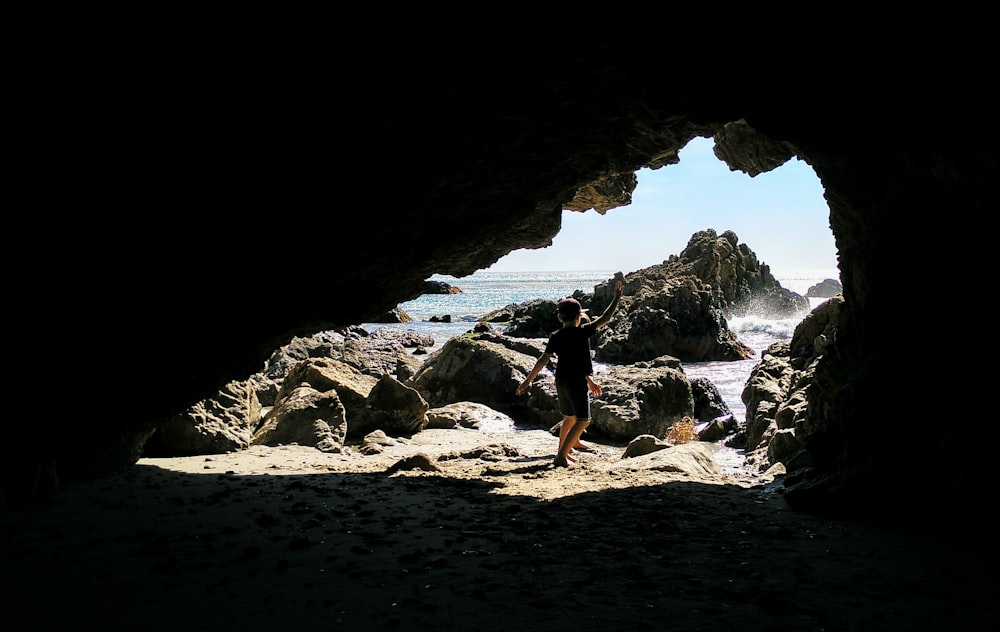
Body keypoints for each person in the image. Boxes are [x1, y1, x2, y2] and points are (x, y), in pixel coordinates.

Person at [516, 279, 624, 467]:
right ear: (579, 317)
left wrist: (527, 381)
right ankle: (561, 456)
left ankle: (563, 449)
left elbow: (543, 359)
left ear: (559, 317)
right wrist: (616, 298)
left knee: (569, 417)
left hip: (561, 380)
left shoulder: (556, 336)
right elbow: (605, 318)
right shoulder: (583, 332)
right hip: (575, 382)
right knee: (583, 420)